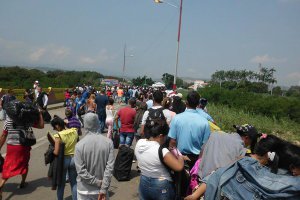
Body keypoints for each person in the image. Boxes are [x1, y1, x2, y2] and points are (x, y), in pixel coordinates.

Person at [135, 112, 184, 200]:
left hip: (143, 181)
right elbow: (179, 167)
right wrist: (180, 156)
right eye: (165, 136)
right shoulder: (161, 150)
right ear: (161, 136)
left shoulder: (139, 143)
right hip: (161, 185)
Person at [0, 105, 44, 199]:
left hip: (11, 147)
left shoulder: (8, 121)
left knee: (8, 166)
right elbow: (41, 126)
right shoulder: (26, 119)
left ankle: (2, 183)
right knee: (24, 164)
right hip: (23, 146)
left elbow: (3, 136)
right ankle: (22, 183)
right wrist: (40, 113)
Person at [74, 113, 115, 200]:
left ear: (85, 125)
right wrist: (103, 187)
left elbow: (80, 171)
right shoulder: (108, 143)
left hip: (84, 190)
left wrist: (97, 182)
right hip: (101, 190)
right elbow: (110, 168)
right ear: (98, 123)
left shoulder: (79, 145)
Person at [168, 91, 211, 169]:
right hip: (196, 159)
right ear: (198, 104)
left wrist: (176, 156)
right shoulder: (205, 122)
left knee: (178, 180)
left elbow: (172, 142)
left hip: (180, 157)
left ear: (186, 103)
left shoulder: (177, 118)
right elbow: (205, 146)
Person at [51, 116, 78, 200]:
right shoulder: (74, 131)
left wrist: (50, 151)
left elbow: (56, 152)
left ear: (57, 126)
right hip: (74, 158)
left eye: (54, 127)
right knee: (74, 183)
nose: (54, 129)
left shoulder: (58, 135)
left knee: (61, 184)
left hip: (63, 160)